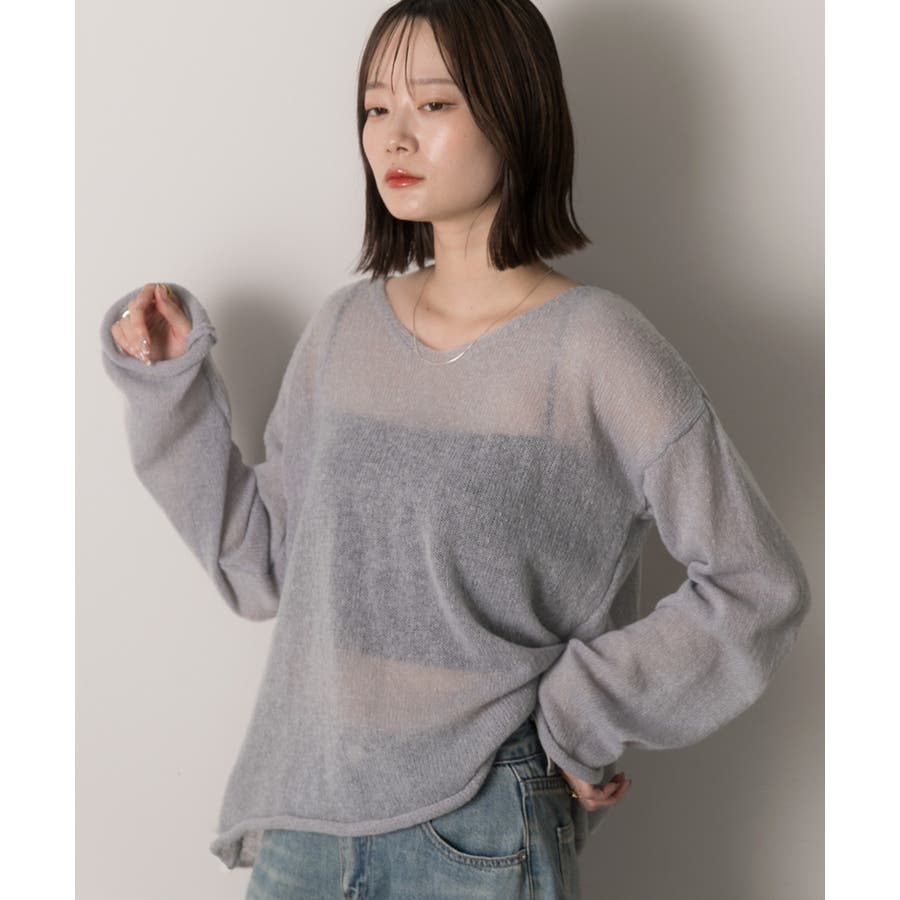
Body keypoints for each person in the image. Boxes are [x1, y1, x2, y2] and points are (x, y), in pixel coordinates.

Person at [99, 1, 811, 898]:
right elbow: (263, 566)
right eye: (375, 108)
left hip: (482, 824)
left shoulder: (599, 350)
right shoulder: (344, 332)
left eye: (433, 104)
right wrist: (168, 391)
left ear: (515, 112)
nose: (394, 136)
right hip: (306, 820)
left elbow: (755, 585)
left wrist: (582, 712)